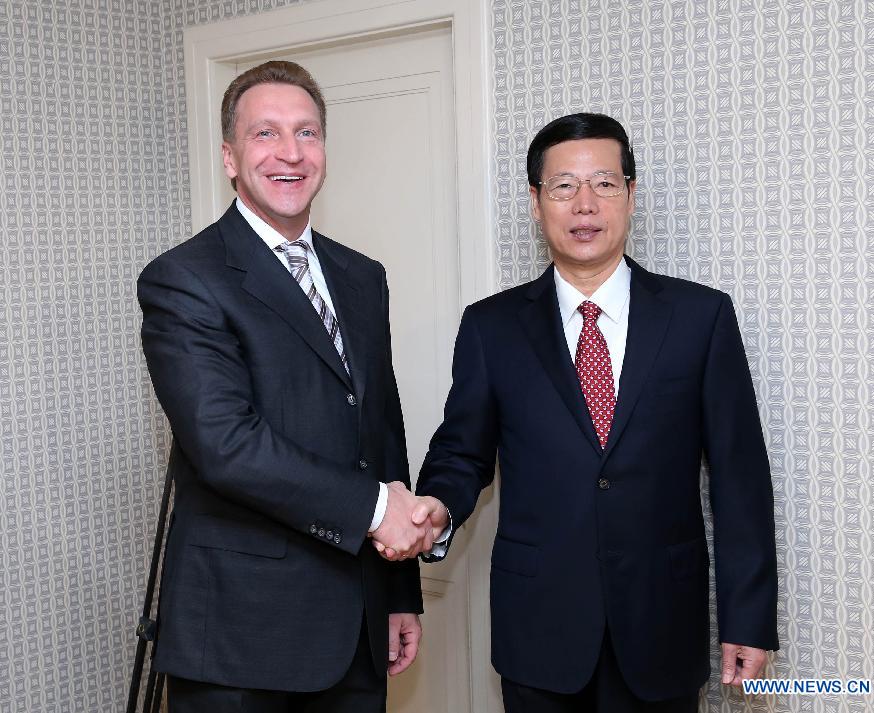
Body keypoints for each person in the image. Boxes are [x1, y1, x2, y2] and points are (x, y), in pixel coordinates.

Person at [409, 113, 779, 712]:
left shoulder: (700, 318)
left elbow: (740, 479)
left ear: (631, 195)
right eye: (563, 187)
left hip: (664, 627)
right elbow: (462, 451)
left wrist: (750, 618)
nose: (585, 204)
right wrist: (437, 507)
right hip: (540, 632)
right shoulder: (491, 327)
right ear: (536, 202)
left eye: (604, 184)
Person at [138, 60, 434, 713]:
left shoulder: (362, 276)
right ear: (230, 157)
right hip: (242, 642)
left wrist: (399, 591)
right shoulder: (184, 279)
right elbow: (227, 446)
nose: (291, 153)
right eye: (266, 134)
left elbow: (379, 433)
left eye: (307, 132)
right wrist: (377, 511)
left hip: (356, 625)